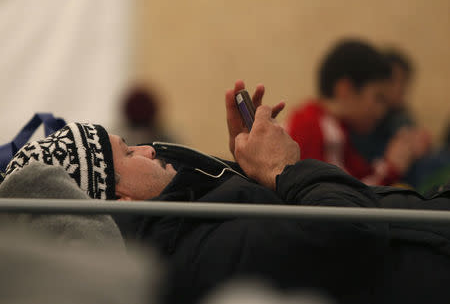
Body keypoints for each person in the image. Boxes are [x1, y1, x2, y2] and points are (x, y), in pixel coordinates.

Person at [3, 81, 450, 304]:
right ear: (119, 197)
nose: (147, 148)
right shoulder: (189, 254)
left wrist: (243, 169)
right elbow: (352, 233)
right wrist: (283, 168)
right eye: (127, 152)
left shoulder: (184, 228)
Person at [285, 39, 419, 185]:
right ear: (345, 89)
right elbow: (341, 196)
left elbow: (358, 177)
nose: (382, 111)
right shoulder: (316, 128)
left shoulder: (334, 128)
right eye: (378, 98)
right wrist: (390, 169)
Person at [350, 48, 430, 164]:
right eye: (393, 81)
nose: (399, 88)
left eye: (404, 82)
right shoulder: (365, 115)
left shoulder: (401, 117)